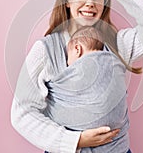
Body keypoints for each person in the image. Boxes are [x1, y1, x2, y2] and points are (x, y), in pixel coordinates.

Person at [11, 0, 143, 153]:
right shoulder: (46, 51)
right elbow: (22, 114)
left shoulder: (117, 44)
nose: (91, 2)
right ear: (67, 0)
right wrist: (75, 141)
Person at [43, 25, 131, 153]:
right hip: (117, 145)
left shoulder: (69, 64)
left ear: (77, 49)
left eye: (68, 56)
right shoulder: (113, 59)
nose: (68, 62)